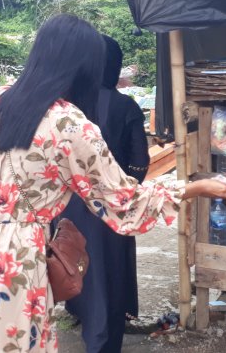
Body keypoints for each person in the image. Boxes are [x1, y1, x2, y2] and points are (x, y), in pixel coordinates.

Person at [0, 14, 226, 353]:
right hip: (11, 266)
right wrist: (195, 187)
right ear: (89, 68)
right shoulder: (69, 123)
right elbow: (126, 205)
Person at [60, 35, 150, 353]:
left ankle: (84, 320)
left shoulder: (64, 108)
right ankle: (103, 341)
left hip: (68, 208)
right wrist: (127, 190)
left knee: (75, 268)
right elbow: (140, 163)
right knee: (110, 277)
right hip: (112, 206)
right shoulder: (125, 106)